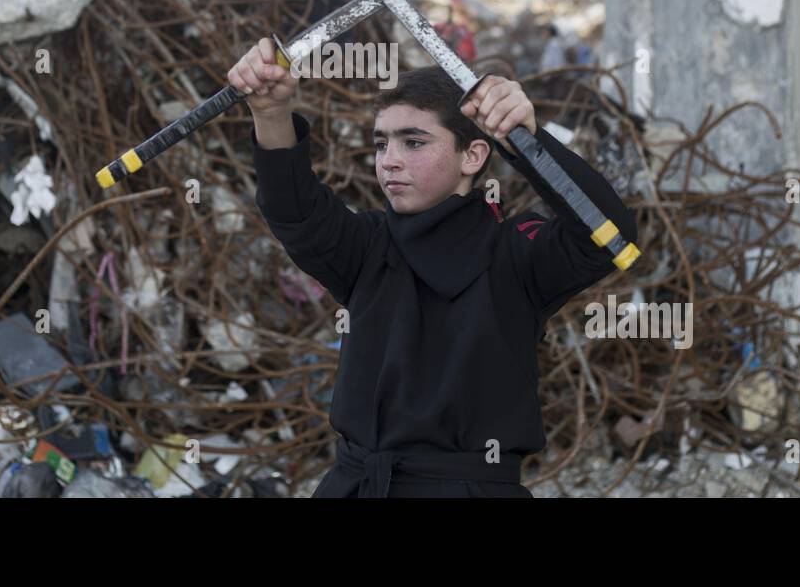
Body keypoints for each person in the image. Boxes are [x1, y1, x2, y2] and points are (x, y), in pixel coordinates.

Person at [227, 37, 638, 497]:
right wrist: (269, 113)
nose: (389, 161)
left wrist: (525, 139)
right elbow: (294, 209)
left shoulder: (517, 255)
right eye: (381, 143)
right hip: (357, 485)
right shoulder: (365, 246)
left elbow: (609, 238)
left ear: (474, 155)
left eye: (414, 142)